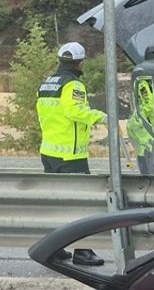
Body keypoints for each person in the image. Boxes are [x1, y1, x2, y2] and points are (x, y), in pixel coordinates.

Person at [36, 41, 107, 267]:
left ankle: (54, 248)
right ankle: (82, 252)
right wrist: (102, 116)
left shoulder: (48, 83)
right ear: (80, 62)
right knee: (80, 204)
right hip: (71, 155)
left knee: (57, 202)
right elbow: (75, 111)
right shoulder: (73, 85)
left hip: (49, 151)